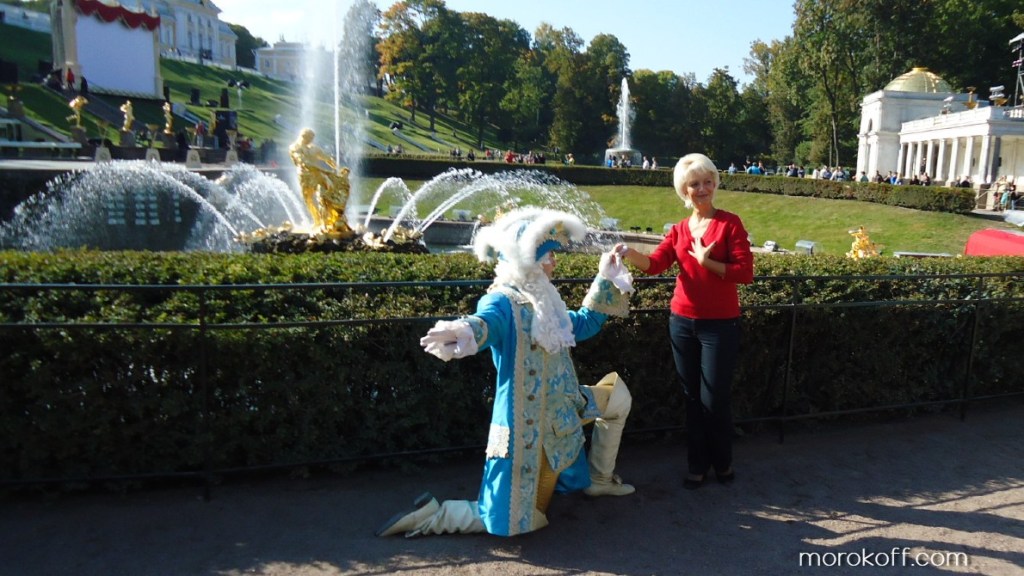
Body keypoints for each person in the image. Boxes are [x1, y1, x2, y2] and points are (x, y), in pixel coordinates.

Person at [376, 208, 636, 538]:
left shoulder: (546, 301)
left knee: (618, 398)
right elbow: (485, 322)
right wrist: (463, 330)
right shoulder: (504, 301)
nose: (555, 263)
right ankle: (436, 516)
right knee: (518, 519)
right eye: (550, 256)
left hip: (567, 409)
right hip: (529, 432)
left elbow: (583, 324)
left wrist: (606, 277)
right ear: (532, 260)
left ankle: (599, 480)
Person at [614, 153, 753, 490]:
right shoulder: (678, 230)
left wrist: (708, 263)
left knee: (714, 399)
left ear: (715, 184)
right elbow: (655, 265)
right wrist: (628, 253)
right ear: (684, 190)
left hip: (720, 325)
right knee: (692, 398)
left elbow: (745, 273)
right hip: (682, 322)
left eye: (707, 182)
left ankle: (722, 462)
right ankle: (697, 465)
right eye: (694, 184)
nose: (702, 189)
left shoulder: (729, 223)